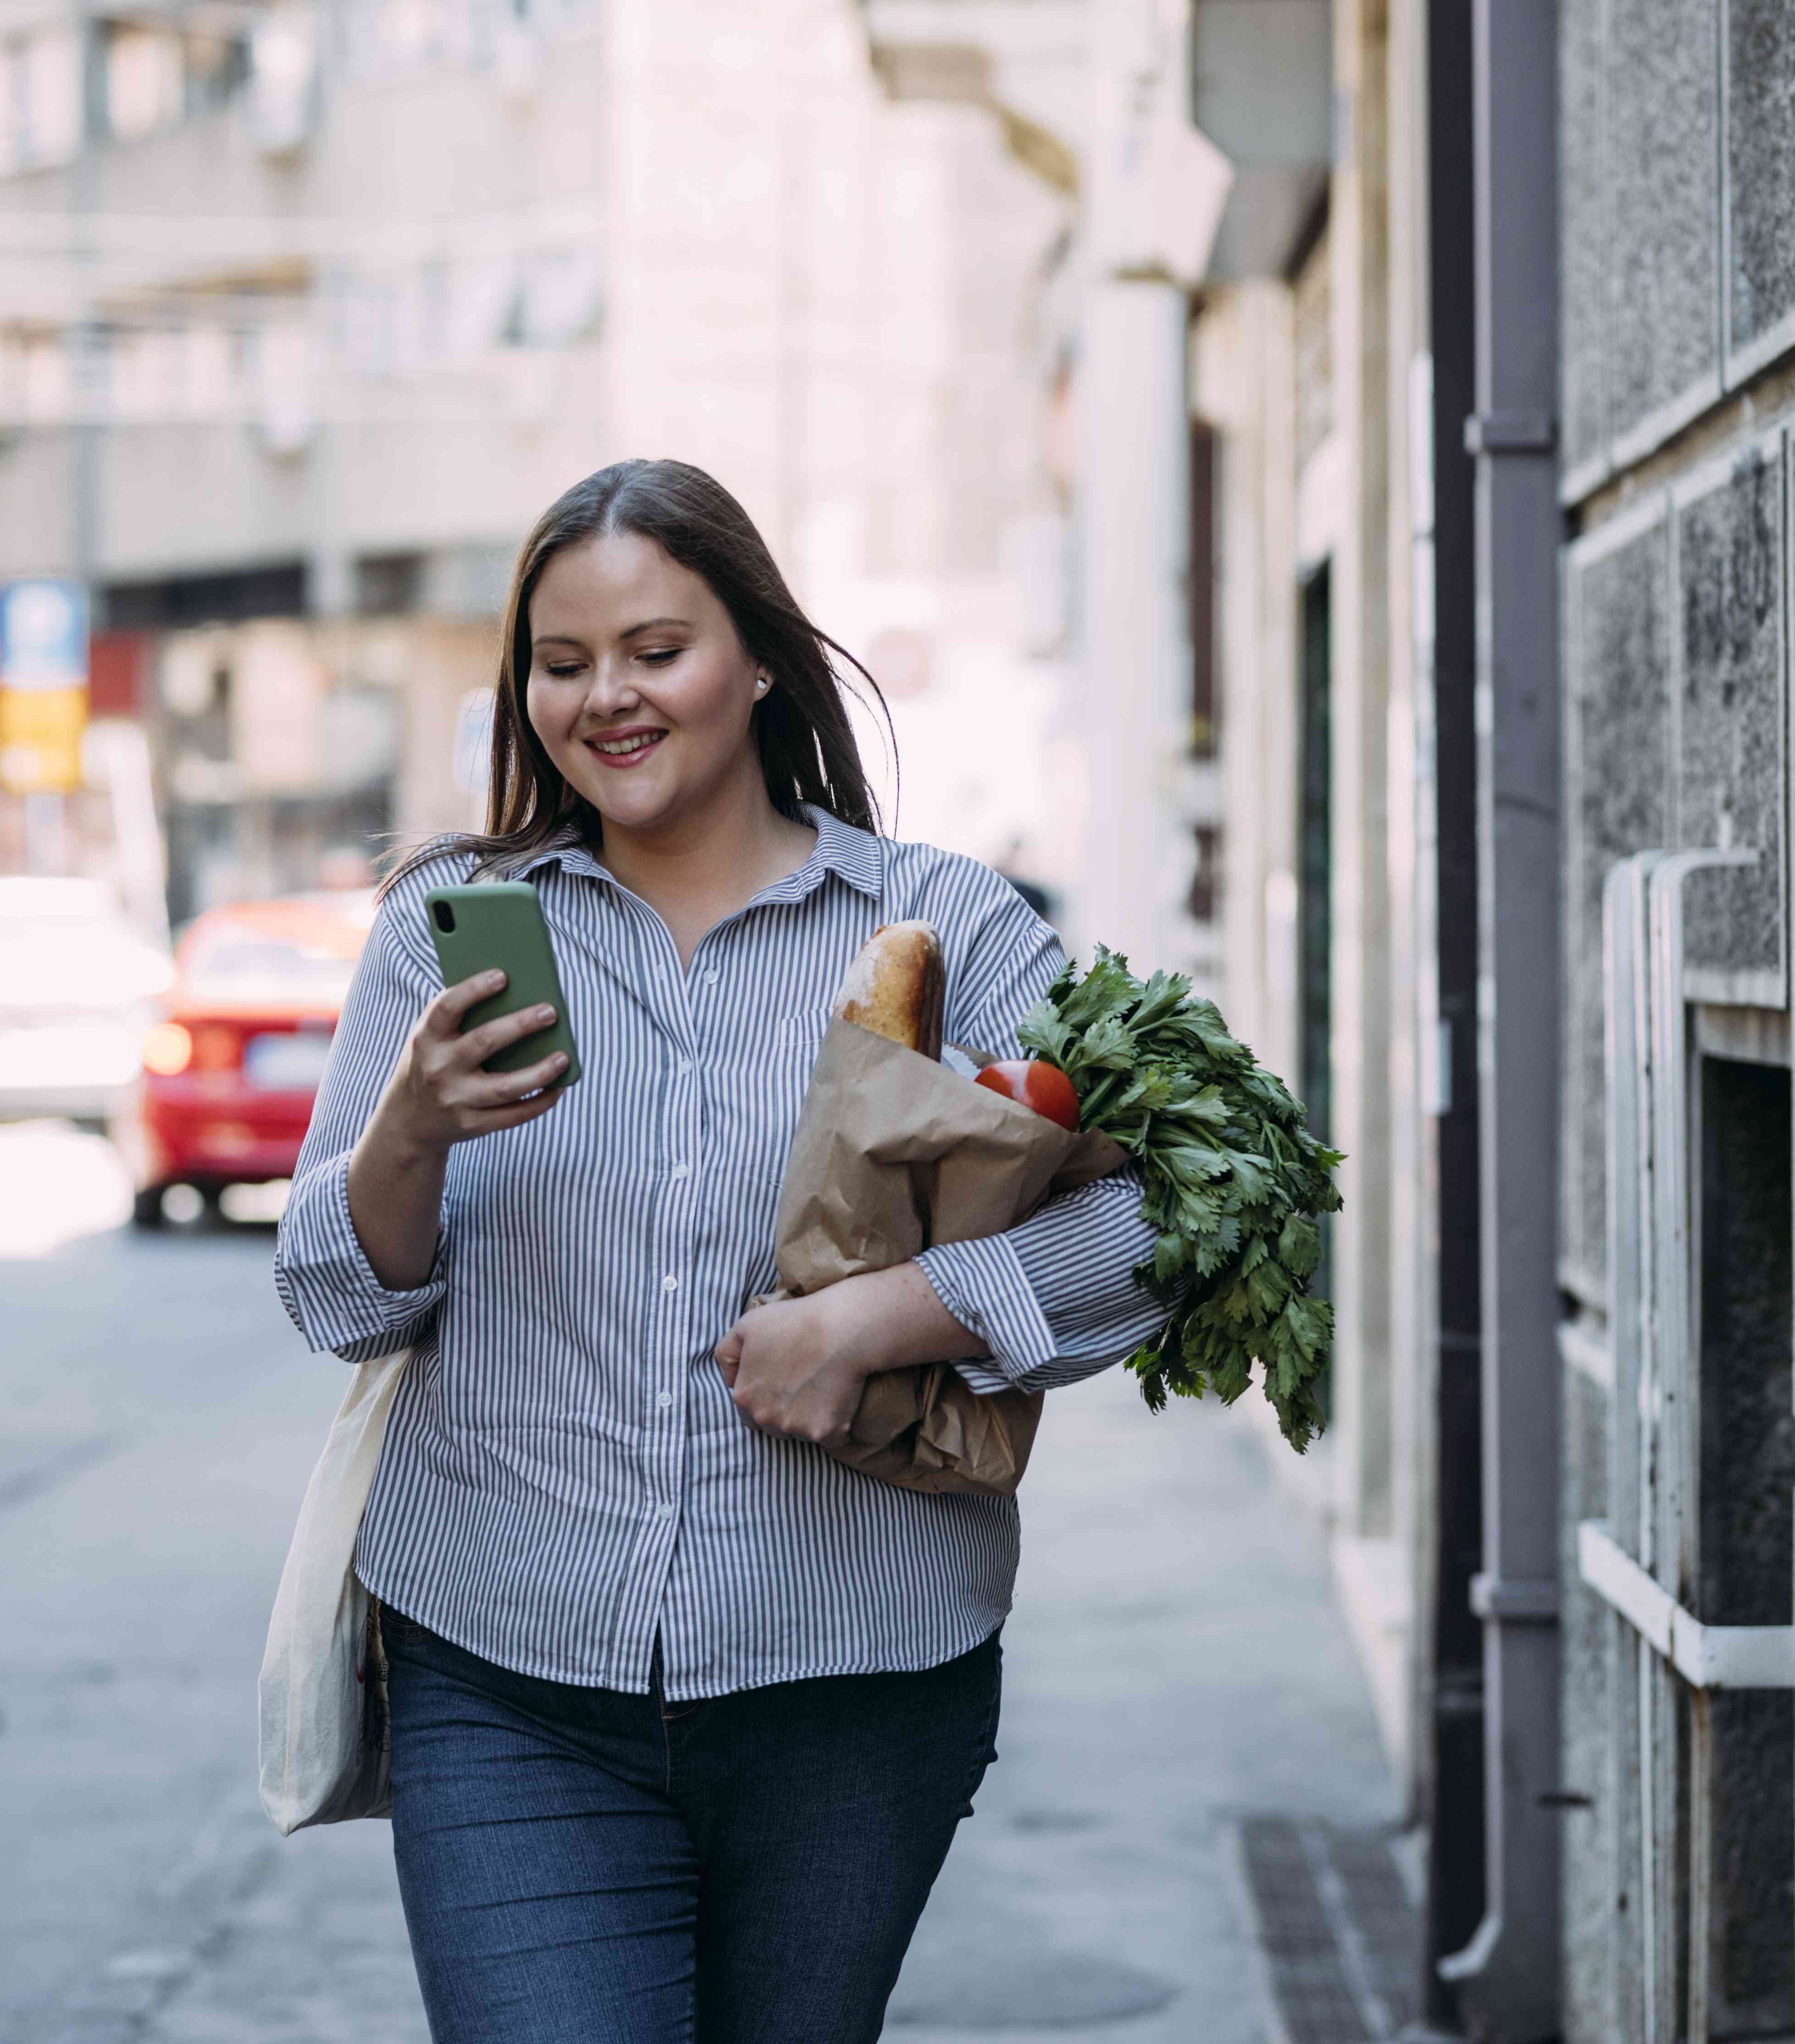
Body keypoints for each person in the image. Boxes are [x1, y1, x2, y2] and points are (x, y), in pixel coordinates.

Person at [273, 459, 1165, 2044]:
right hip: (508, 1675)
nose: (604, 697)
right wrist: (409, 1123)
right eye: (562, 665)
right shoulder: (455, 931)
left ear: (759, 658)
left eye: (654, 650)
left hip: (855, 1683)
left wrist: (892, 1314)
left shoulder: (944, 928)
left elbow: (1164, 1225)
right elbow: (334, 1293)